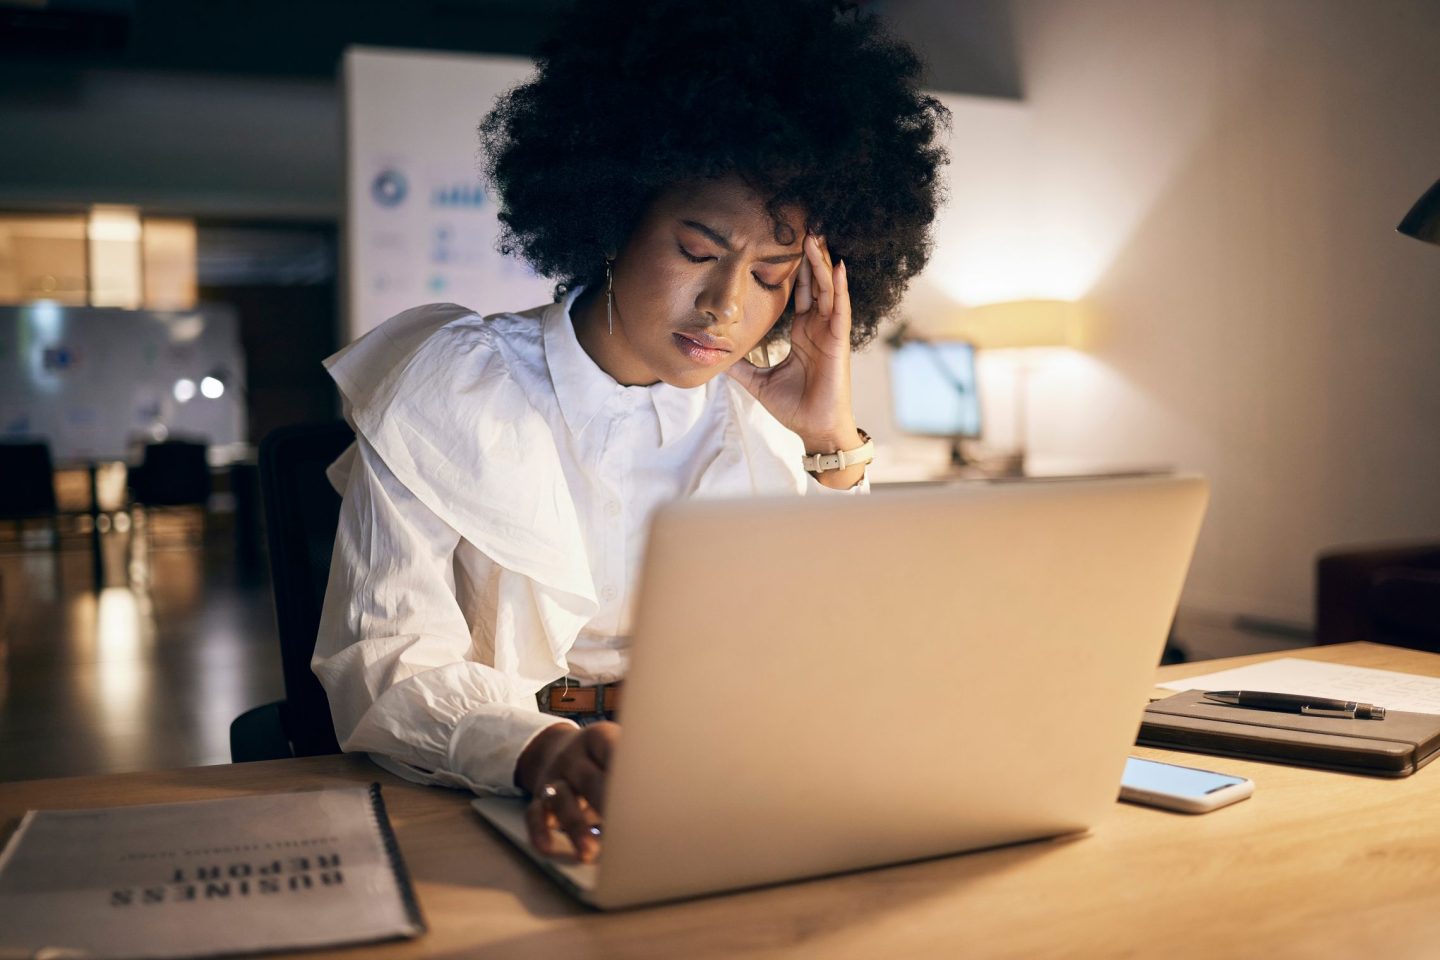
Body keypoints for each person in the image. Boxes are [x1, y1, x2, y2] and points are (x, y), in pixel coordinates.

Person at [313, 0, 949, 864]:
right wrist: (542, 751)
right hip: (493, 795)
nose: (727, 306)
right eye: (697, 249)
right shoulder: (456, 382)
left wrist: (827, 437)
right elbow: (387, 663)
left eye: (770, 274)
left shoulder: (758, 418)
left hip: (716, 797)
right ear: (613, 218)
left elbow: (847, 651)